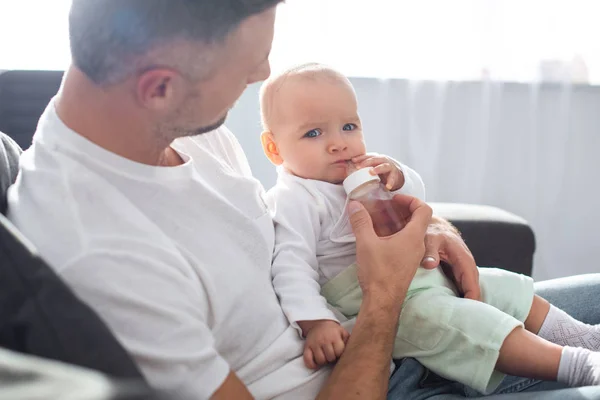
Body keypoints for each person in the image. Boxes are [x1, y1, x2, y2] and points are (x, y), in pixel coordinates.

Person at [5, 1, 600, 399]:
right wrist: (387, 296)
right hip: (385, 372)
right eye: (250, 61)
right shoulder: (104, 258)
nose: (263, 72)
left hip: (392, 325)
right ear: (158, 87)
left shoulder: (179, 127)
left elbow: (286, 227)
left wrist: (432, 227)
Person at [259, 63, 600, 394]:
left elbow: (416, 197)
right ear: (274, 148)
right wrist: (316, 321)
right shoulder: (295, 198)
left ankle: (586, 337)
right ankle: (578, 365)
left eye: (349, 127)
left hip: (420, 274)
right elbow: (291, 266)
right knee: (463, 323)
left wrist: (399, 176)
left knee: (500, 285)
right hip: (376, 301)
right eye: (314, 133)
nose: (339, 144)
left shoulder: (365, 168)